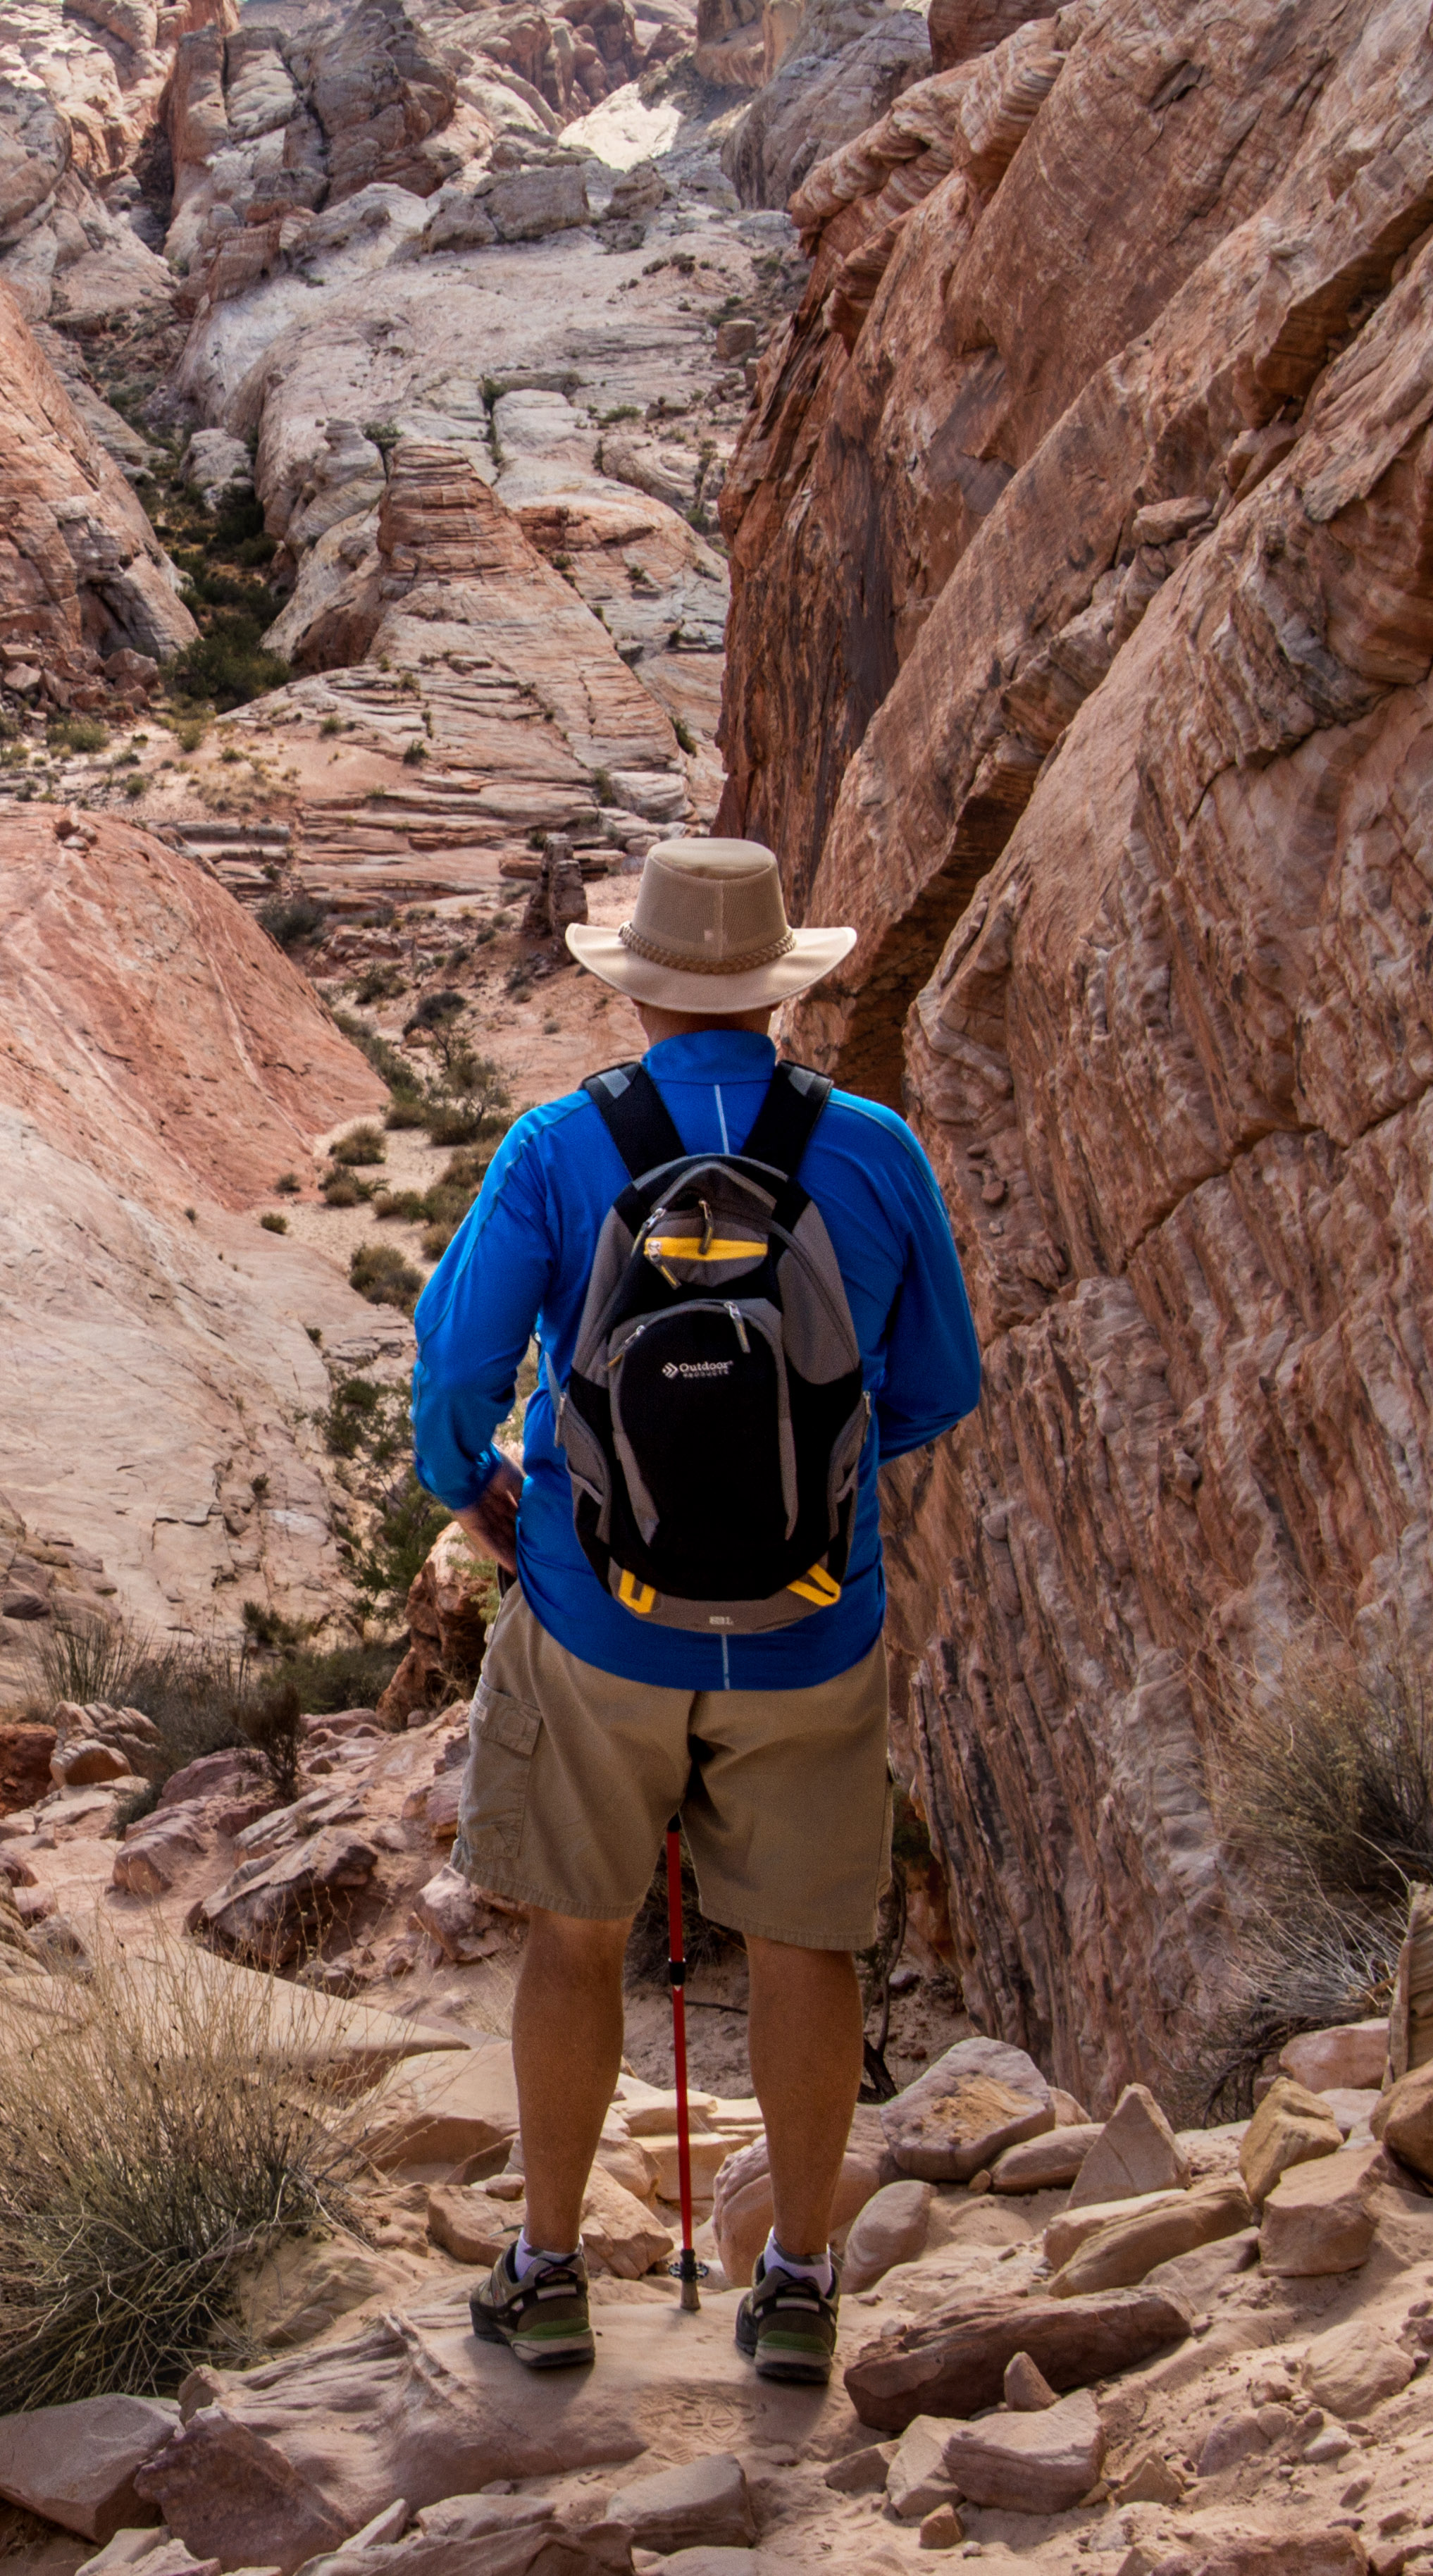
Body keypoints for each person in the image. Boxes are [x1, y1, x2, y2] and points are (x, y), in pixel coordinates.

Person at [410, 834, 980, 2391]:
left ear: (638, 989)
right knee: (803, 1941)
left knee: (575, 1933)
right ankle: (795, 2284)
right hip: (811, 1624)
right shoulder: (874, 1148)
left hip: (596, 1616)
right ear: (776, 986)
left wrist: (474, 1490)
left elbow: (459, 1364)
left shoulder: (555, 1146)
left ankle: (544, 2274)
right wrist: (798, 1496)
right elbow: (938, 1385)